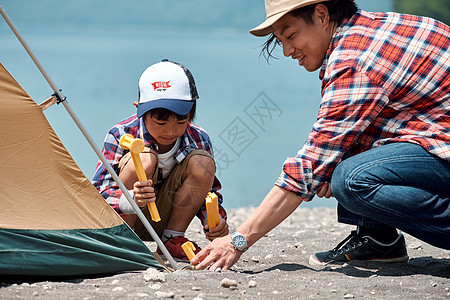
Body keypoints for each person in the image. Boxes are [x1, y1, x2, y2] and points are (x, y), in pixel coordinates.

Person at [191, 0, 450, 270]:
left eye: (291, 36)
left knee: (350, 180)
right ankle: (378, 238)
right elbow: (342, 136)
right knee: (340, 156)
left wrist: (236, 241)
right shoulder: (367, 30)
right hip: (437, 135)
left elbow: (310, 165)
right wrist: (329, 164)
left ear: (322, 15)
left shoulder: (353, 62)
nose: (287, 50)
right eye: (280, 40)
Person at [92, 59, 229, 260]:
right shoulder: (121, 133)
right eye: (160, 121)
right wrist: (130, 199)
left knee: (203, 163)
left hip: (166, 218)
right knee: (145, 158)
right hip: (126, 215)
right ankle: (123, 238)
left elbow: (208, 193)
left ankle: (172, 239)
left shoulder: (199, 138)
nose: (171, 131)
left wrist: (214, 221)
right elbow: (97, 193)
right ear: (139, 110)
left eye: (182, 121)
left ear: (191, 112)